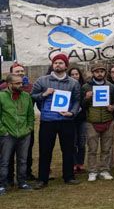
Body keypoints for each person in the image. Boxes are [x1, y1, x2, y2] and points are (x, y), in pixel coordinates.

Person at [31, 54, 82, 189]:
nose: (58, 65)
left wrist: (72, 112)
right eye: (55, 63)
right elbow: (33, 96)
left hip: (66, 121)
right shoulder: (42, 81)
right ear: (52, 65)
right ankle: (42, 179)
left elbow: (77, 100)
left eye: (61, 63)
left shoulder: (73, 83)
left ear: (66, 66)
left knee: (68, 150)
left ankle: (69, 176)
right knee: (45, 150)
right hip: (48, 121)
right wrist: (44, 94)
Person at [81, 62, 114, 182]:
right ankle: (92, 171)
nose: (99, 73)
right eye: (97, 71)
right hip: (92, 121)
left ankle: (105, 169)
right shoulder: (86, 87)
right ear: (92, 73)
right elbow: (82, 105)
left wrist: (112, 107)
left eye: (101, 71)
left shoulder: (111, 87)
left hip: (108, 120)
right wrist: (87, 98)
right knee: (92, 148)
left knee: (106, 148)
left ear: (105, 73)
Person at [0, 74, 35, 194]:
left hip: (24, 134)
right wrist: (3, 131)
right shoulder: (1, 96)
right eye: (17, 83)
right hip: (7, 134)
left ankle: (23, 182)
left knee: (23, 160)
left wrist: (29, 128)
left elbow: (31, 114)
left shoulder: (26, 96)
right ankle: (2, 185)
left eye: (21, 83)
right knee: (4, 161)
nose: (21, 85)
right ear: (9, 84)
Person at [67, 67, 88, 175]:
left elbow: (86, 104)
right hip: (71, 119)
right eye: (72, 74)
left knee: (82, 142)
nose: (75, 76)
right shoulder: (67, 87)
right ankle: (74, 164)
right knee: (73, 142)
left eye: (76, 74)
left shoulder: (84, 87)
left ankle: (81, 163)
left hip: (83, 118)